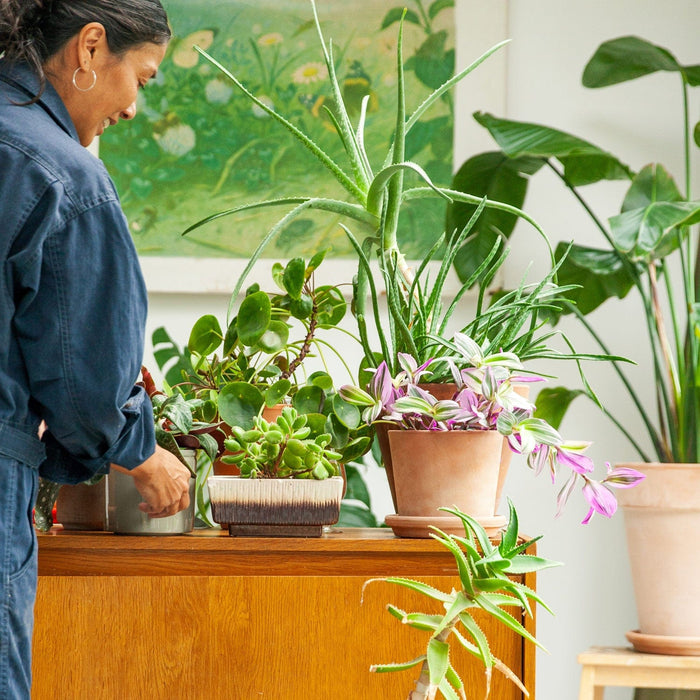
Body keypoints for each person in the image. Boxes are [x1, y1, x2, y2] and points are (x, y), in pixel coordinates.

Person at [0, 1, 192, 696]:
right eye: (141, 77)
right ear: (88, 50)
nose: (136, 107)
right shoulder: (60, 174)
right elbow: (85, 378)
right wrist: (140, 454)